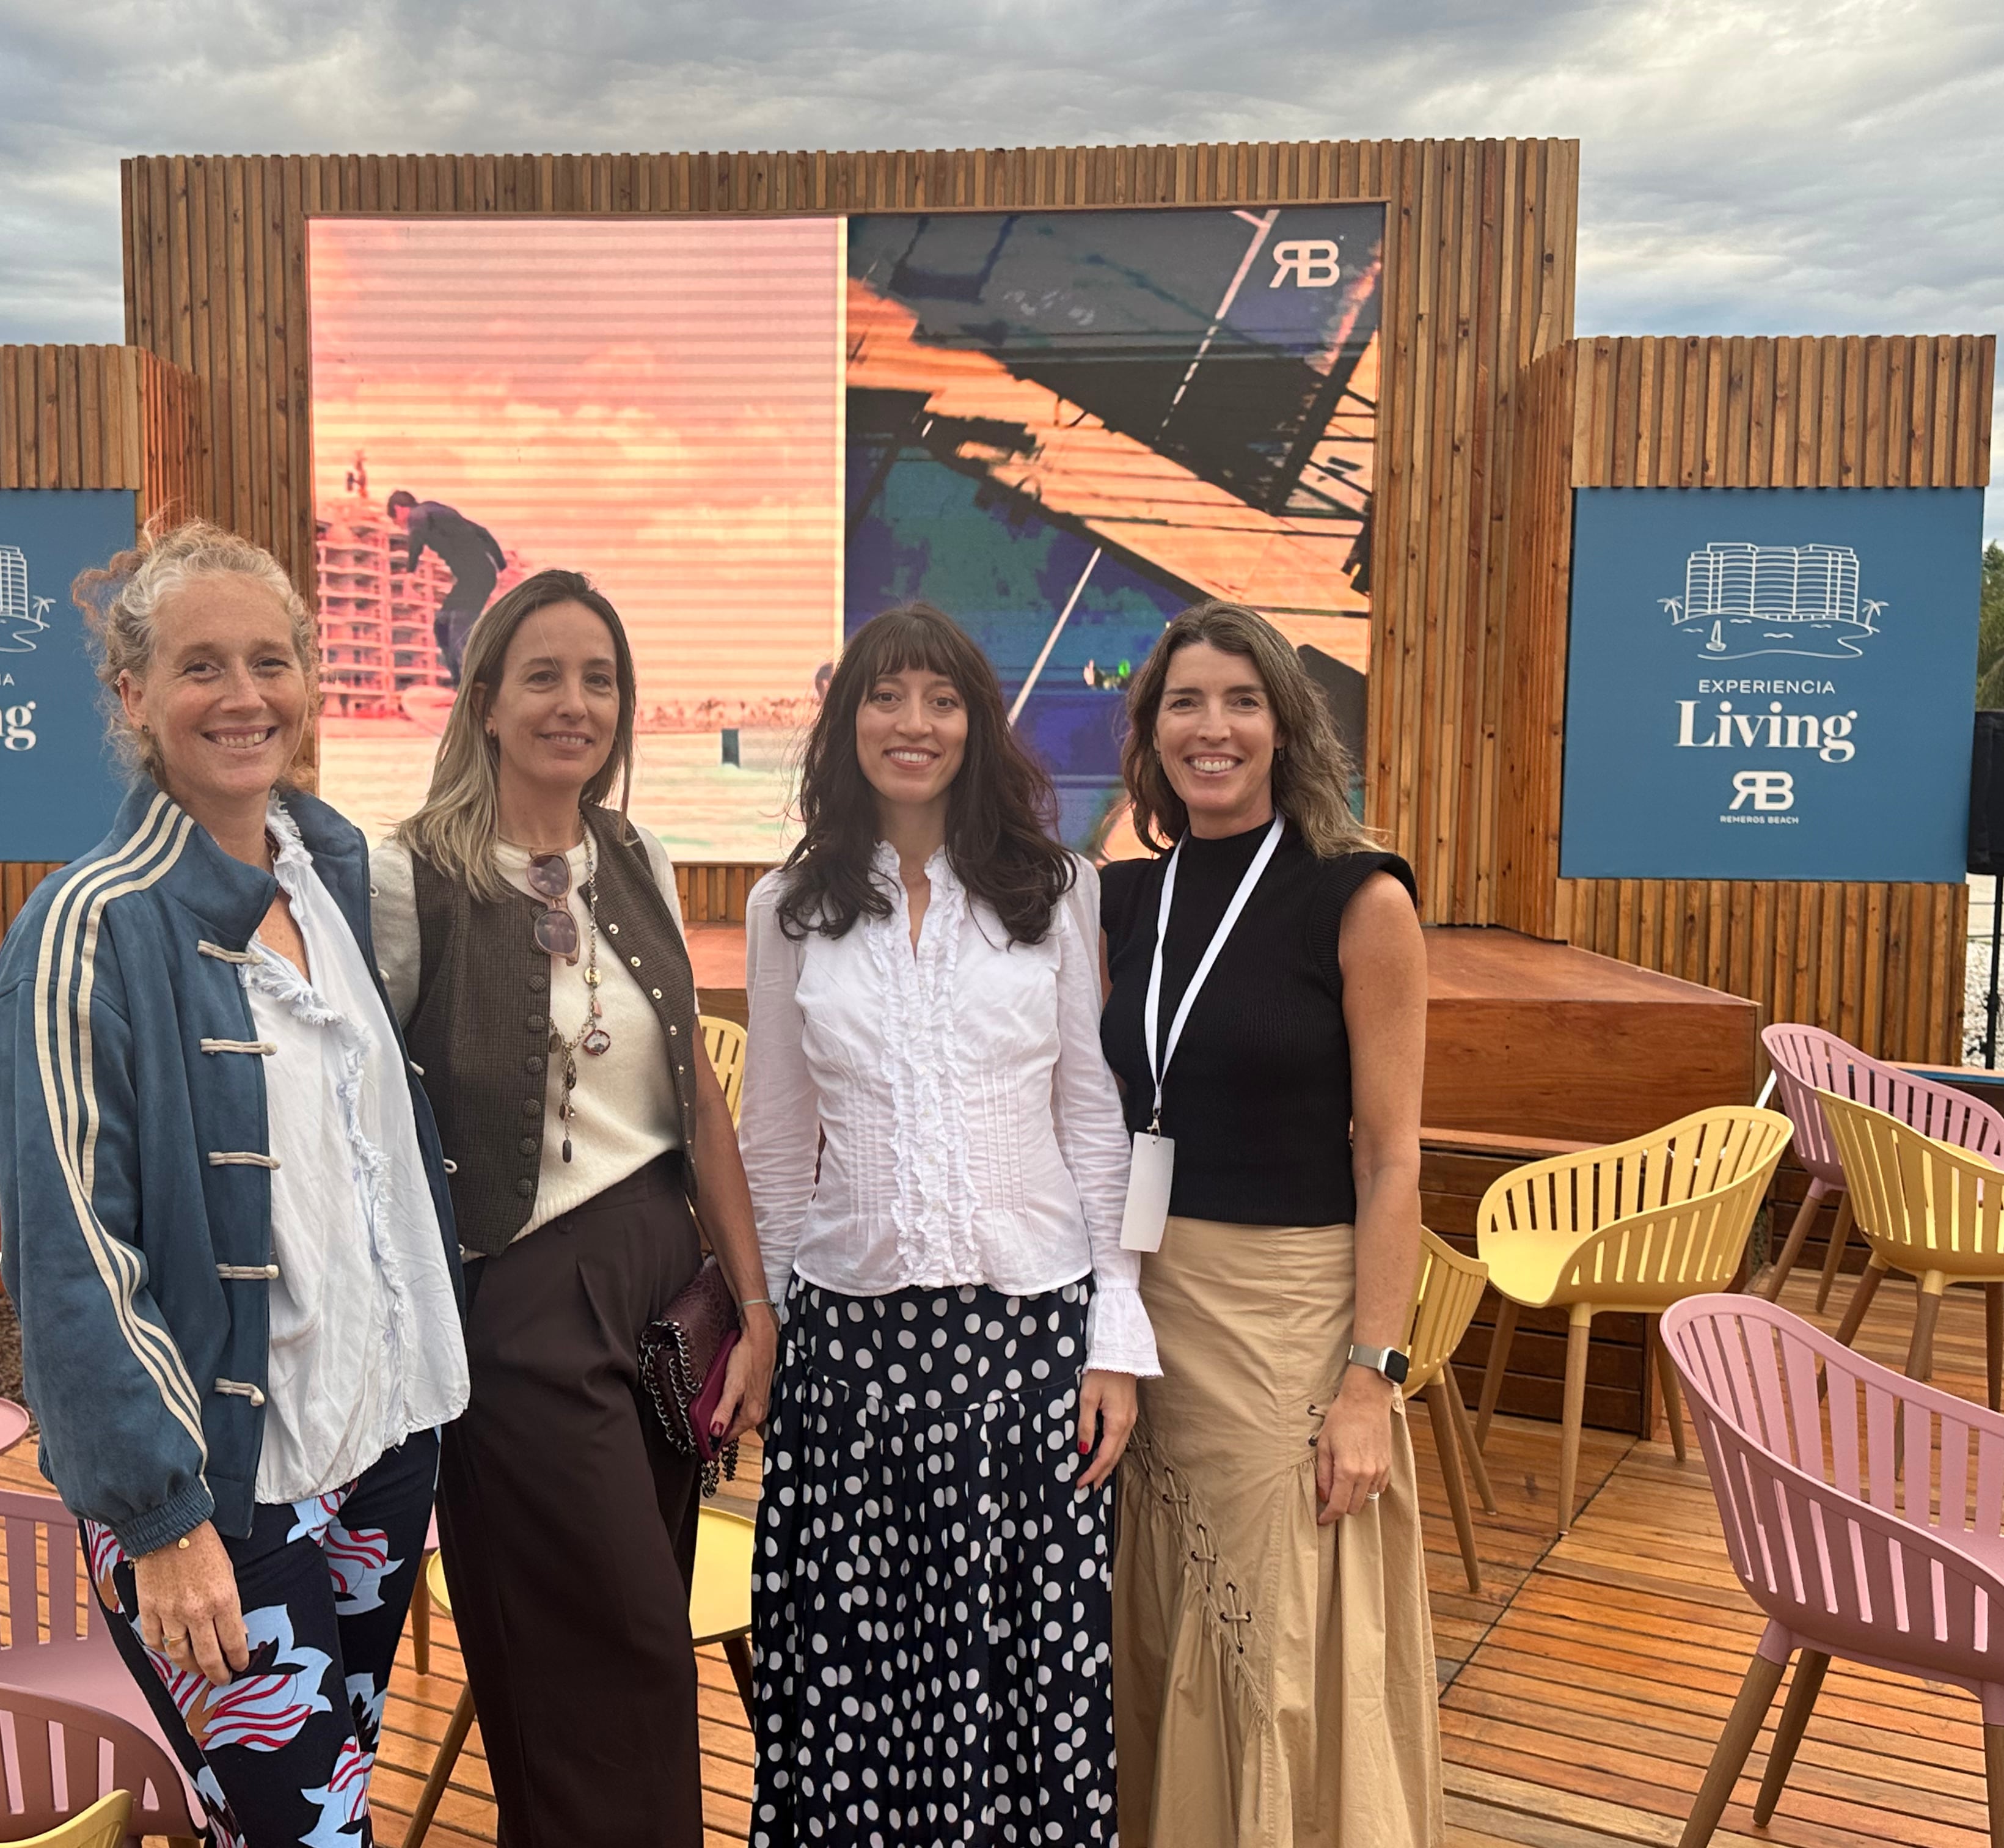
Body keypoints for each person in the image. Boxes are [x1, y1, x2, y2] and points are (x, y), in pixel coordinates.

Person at [0, 520, 470, 1848]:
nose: (244, 697)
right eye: (202, 667)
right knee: (307, 1835)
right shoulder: (91, 927)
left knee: (318, 1806)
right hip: (216, 1489)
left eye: (270, 662)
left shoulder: (330, 873)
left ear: (309, 680)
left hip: (375, 1445)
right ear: (133, 695)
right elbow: (71, 1251)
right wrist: (159, 1518)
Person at [371, 566, 780, 1848]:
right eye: (543, 676)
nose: (575, 703)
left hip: (665, 1302)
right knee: (626, 1657)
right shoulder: (407, 878)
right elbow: (367, 1115)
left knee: (609, 1652)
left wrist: (756, 1303)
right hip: (529, 1312)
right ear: (484, 700)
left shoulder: (637, 853)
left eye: (599, 679)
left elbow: (699, 1102)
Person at [740, 602, 1156, 1847]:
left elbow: (1098, 1123)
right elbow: (772, 1137)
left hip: (1027, 1342)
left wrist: (1115, 1339)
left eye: (940, 699)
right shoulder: (790, 907)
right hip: (850, 1353)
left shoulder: (1057, 891)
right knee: (859, 1676)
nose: (911, 723)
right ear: (846, 722)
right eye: (885, 696)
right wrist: (763, 1320)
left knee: (1020, 1677)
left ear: (976, 726)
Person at [1096, 601, 1439, 1846]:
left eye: (1242, 700)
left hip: (1288, 1319)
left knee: (1267, 1631)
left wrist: (1369, 1380)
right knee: (1159, 1615)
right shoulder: (1123, 904)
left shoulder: (1359, 898)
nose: (1213, 727)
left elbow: (1394, 1160)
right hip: (1141, 1309)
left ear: (1287, 729)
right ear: (1151, 735)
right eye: (1185, 701)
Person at [386, 490, 507, 684]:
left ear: (399, 510)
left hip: (477, 578)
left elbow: (417, 534)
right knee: (441, 626)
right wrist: (502, 566)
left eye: (397, 522)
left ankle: (478, 686)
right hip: (473, 579)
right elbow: (482, 533)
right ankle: (460, 686)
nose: (403, 528)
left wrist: (409, 576)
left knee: (459, 630)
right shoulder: (442, 515)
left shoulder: (420, 514)